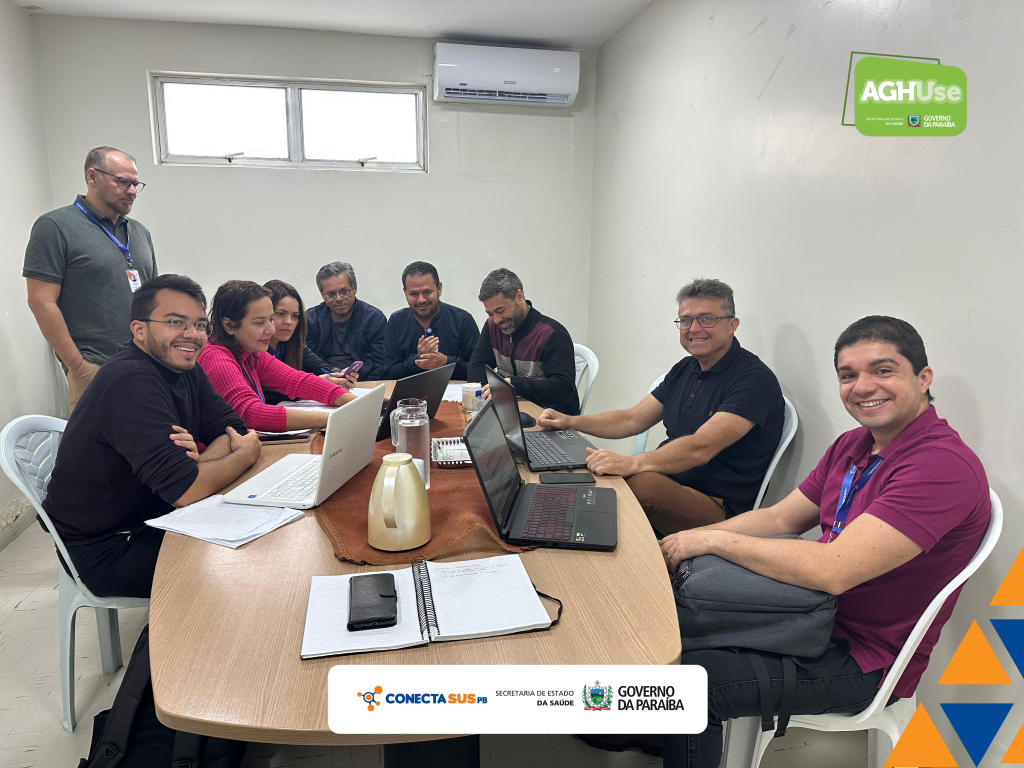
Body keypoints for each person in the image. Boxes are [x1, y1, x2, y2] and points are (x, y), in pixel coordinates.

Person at [656, 316, 991, 768]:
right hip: (804, 613)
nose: (863, 386)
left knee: (694, 683)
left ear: (923, 378)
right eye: (848, 375)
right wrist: (684, 540)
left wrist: (713, 541)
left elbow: (832, 570)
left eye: (883, 370)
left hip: (861, 656)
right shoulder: (853, 445)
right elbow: (780, 517)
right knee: (661, 629)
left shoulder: (940, 466)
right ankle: (633, 733)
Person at [41, 275, 260, 598]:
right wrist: (243, 454)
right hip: (109, 548)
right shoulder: (130, 380)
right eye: (175, 322)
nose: (191, 334)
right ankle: (178, 631)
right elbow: (187, 491)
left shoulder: (184, 367)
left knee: (261, 533)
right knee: (249, 565)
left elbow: (233, 428)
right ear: (139, 329)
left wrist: (199, 464)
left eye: (200, 325)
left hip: (156, 516)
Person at [539, 278, 784, 534]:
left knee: (639, 486)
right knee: (599, 473)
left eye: (707, 319)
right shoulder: (685, 368)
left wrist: (633, 463)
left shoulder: (754, 380)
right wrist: (570, 421)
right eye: (685, 320)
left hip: (719, 507)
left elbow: (700, 448)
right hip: (672, 481)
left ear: (732, 325)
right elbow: (631, 419)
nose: (694, 328)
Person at [24, 147, 158, 411]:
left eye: (135, 184)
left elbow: (153, 297)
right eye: (123, 182)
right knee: (97, 440)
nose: (132, 191)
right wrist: (77, 366)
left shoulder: (140, 232)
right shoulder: (55, 226)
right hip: (95, 367)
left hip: (146, 365)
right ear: (92, 176)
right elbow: (40, 301)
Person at [198, 280, 357, 433]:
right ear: (229, 325)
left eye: (271, 319)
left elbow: (296, 381)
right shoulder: (216, 358)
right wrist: (333, 419)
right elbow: (251, 414)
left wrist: (356, 404)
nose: (271, 330)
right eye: (259, 323)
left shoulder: (250, 352)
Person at [468, 268, 579, 415]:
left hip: (552, 418)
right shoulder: (492, 327)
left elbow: (564, 389)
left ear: (520, 297)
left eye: (500, 311)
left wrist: (514, 386)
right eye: (490, 313)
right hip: (511, 413)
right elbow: (476, 366)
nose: (496, 320)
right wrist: (499, 390)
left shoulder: (552, 334)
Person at [262, 279, 359, 404]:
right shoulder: (255, 349)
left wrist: (340, 375)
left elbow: (323, 367)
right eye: (281, 314)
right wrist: (316, 385)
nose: (289, 322)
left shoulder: (294, 345)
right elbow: (265, 392)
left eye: (295, 316)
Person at [383, 261, 480, 380]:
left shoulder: (462, 320)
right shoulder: (396, 322)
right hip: (410, 391)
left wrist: (447, 362)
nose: (421, 300)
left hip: (456, 391)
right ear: (405, 292)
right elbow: (389, 372)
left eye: (427, 292)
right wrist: (417, 360)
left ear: (439, 288)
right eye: (414, 294)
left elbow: (478, 371)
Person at [305, 262, 387, 381]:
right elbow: (309, 363)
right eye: (331, 294)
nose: (339, 298)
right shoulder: (310, 320)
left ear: (355, 289)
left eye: (344, 292)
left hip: (364, 383)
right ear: (322, 295)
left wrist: (361, 387)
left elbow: (381, 365)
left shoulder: (374, 318)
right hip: (325, 382)